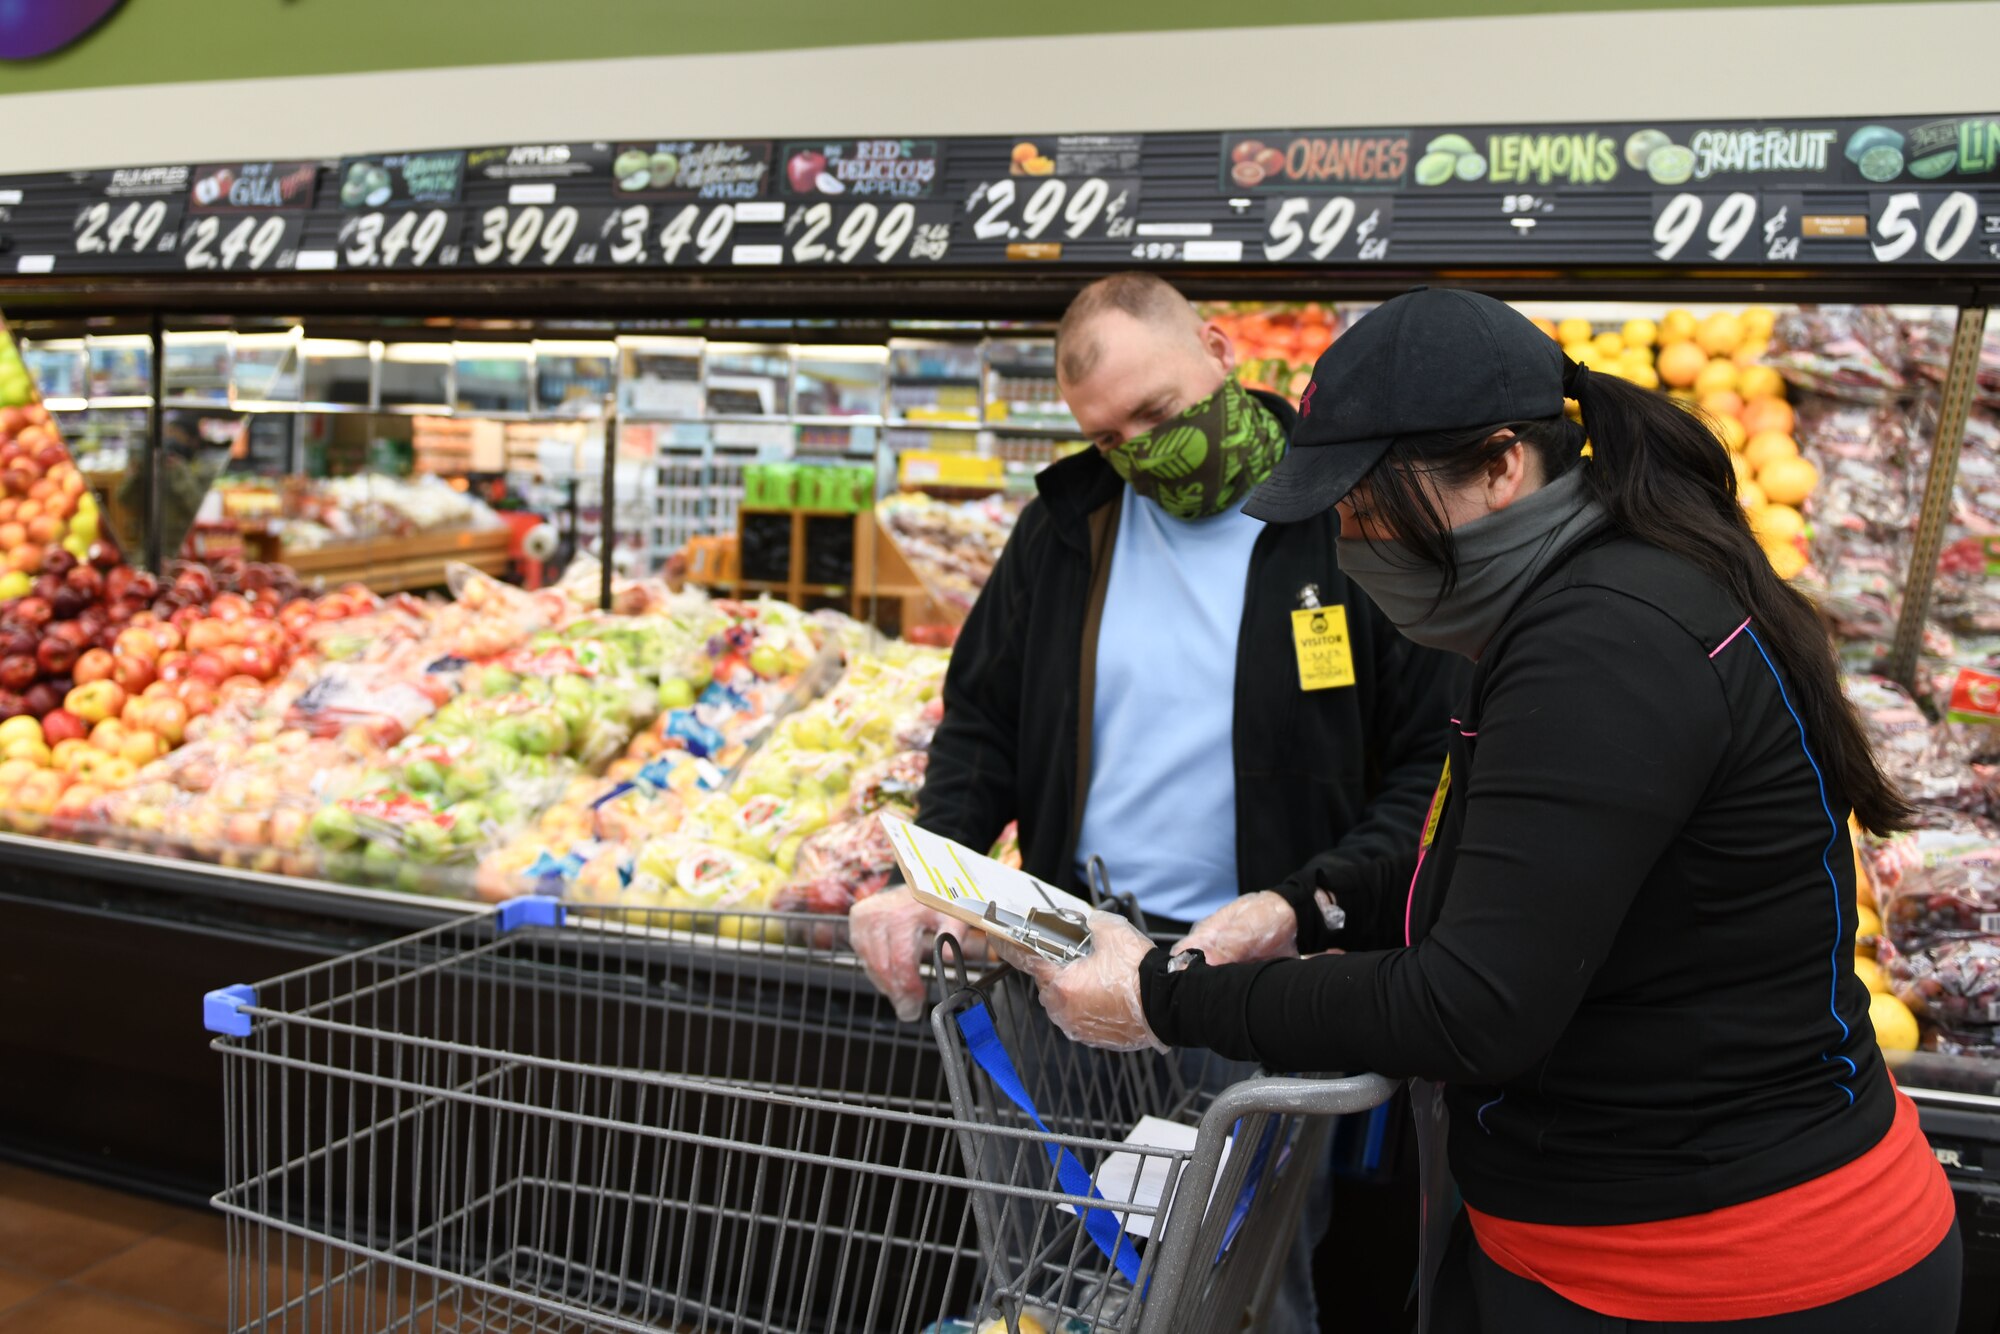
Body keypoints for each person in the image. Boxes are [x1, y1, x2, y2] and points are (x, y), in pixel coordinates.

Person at [1005, 286, 1962, 1332]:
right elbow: (1485, 856)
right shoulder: (1562, 608)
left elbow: (1473, 1001)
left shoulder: (1601, 642)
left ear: (1502, 462)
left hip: (1725, 1271)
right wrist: (1306, 904)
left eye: (1367, 506)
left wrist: (1161, 994)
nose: (1352, 540)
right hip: (1623, 1241)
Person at [851, 272, 1461, 1332]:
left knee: (1244, 1290)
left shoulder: (1349, 519)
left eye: (1159, 415)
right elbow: (982, 720)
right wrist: (930, 866)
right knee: (1061, 1267)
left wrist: (1304, 901)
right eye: (1111, 435)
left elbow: (1426, 769)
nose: (1143, 453)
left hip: (1255, 979)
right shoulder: (1067, 525)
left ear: (1221, 351)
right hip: (1067, 957)